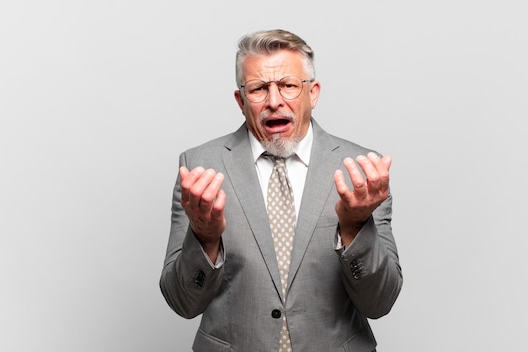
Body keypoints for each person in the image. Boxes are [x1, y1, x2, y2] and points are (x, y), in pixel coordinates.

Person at [160, 29, 402, 352]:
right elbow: (182, 302)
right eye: (259, 88)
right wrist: (204, 239)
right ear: (240, 100)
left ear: (313, 93)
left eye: (288, 85)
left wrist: (355, 227)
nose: (274, 102)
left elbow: (380, 302)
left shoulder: (360, 174)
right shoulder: (199, 169)